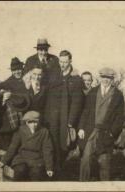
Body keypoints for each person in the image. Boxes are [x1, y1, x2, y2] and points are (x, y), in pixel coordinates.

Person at [78, 67, 125, 181]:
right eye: (103, 77)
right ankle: (82, 185)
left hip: (106, 133)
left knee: (104, 162)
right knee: (85, 159)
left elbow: (119, 118)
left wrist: (112, 133)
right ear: (100, 77)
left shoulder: (118, 95)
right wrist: (81, 128)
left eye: (108, 78)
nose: (105, 80)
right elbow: (85, 111)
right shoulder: (93, 92)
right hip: (91, 130)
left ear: (112, 79)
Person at [46, 50, 84, 179]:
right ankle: (54, 171)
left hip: (66, 118)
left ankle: (60, 170)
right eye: (60, 62)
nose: (62, 64)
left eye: (65, 62)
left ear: (70, 61)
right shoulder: (54, 75)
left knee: (64, 145)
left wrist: (70, 122)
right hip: (53, 117)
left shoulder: (76, 79)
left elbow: (77, 103)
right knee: (53, 143)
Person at [0, 57, 29, 150]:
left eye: (19, 69)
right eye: (14, 70)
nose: (17, 72)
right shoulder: (9, 81)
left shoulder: (26, 80)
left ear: (22, 69)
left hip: (25, 114)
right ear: (12, 71)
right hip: (13, 117)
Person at [1, 111, 54, 181]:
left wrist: (49, 168)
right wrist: (4, 161)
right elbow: (13, 147)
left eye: (35, 122)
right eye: (30, 122)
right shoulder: (21, 130)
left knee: (36, 174)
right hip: (22, 158)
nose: (33, 124)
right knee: (19, 171)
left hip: (37, 159)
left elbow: (47, 150)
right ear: (26, 122)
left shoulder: (44, 131)